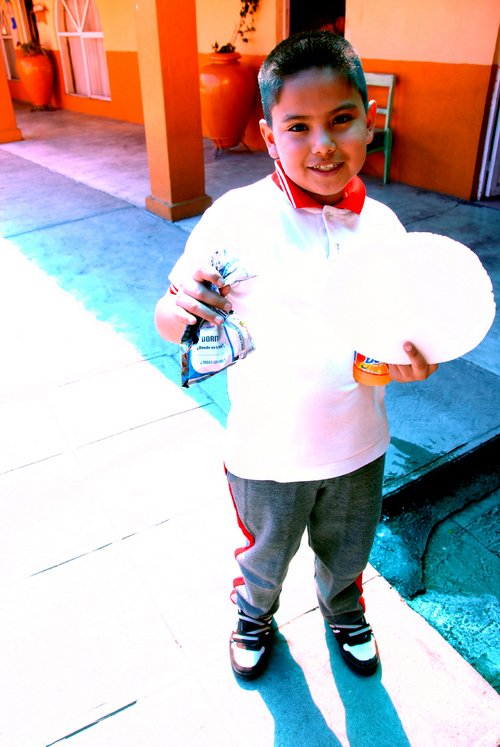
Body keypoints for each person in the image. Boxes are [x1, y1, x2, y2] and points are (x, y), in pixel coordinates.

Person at [154, 31, 438, 681]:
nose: (323, 144)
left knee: (348, 551)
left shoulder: (384, 229)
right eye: (298, 127)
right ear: (267, 134)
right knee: (266, 555)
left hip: (358, 446)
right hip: (266, 452)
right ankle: (254, 613)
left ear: (370, 120)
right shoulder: (237, 218)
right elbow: (167, 318)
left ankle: (345, 608)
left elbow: (395, 339)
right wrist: (183, 310)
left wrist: (415, 360)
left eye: (341, 120)